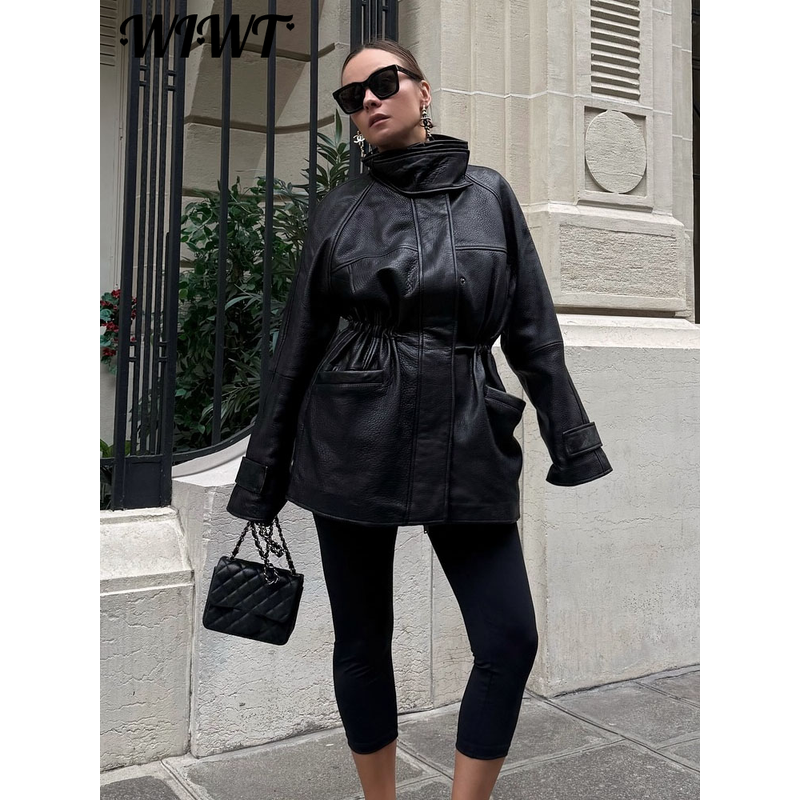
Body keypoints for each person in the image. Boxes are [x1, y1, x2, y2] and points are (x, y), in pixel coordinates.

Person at [227, 38, 613, 800]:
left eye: (383, 81)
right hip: (351, 435)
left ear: (423, 91)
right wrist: (262, 476)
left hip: (467, 430)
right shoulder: (341, 208)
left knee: (509, 637)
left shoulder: (491, 195)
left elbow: (532, 331)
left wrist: (571, 438)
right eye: (352, 96)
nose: (369, 100)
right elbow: (297, 344)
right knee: (362, 639)